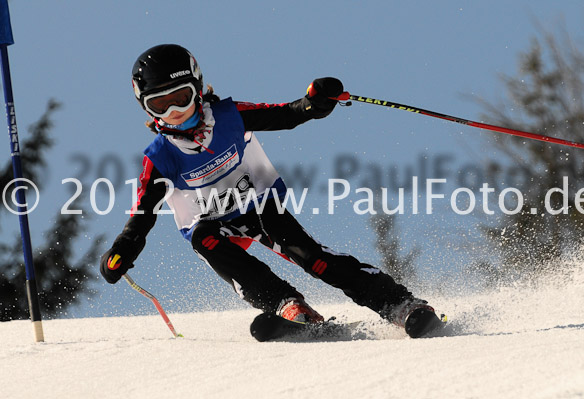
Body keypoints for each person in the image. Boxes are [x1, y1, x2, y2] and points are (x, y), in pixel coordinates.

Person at [100, 44, 440, 338]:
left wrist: (315, 102)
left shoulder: (228, 117)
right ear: (147, 108)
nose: (175, 112)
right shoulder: (161, 157)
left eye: (182, 98)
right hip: (211, 221)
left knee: (313, 258)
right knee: (204, 239)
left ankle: (399, 304)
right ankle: (285, 304)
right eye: (161, 105)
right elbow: (142, 214)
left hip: (258, 203)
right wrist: (123, 250)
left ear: (198, 88)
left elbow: (287, 115)